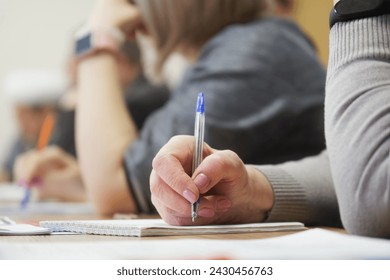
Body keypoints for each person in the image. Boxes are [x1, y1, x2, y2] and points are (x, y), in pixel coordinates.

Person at [150, 2, 390, 239]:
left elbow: (373, 195)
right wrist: (249, 191)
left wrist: (360, 7)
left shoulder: (257, 45)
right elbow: (353, 168)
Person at [75, 0, 327, 216]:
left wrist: (96, 37)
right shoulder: (241, 45)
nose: (129, 7)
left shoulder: (256, 49)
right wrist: (77, 183)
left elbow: (117, 191)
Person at [12, 40, 169, 202]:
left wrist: (71, 109)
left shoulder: (143, 100)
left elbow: (117, 176)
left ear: (118, 61)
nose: (69, 70)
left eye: (81, 61)